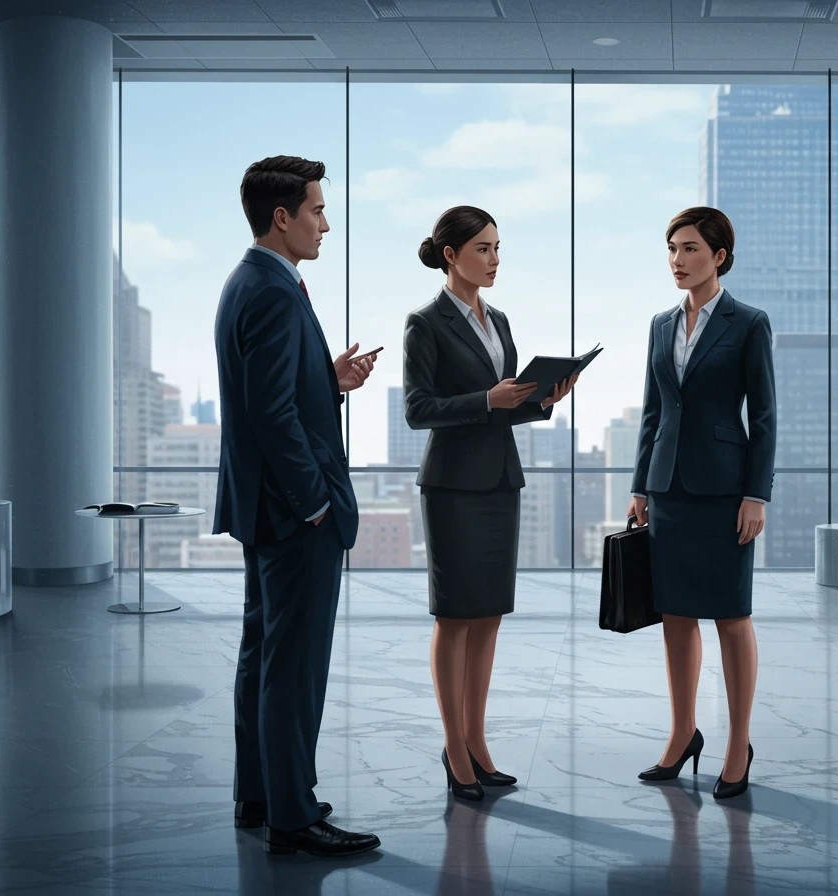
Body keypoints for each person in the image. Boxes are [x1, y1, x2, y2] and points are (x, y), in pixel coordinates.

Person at [214, 155, 380, 857]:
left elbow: (275, 391)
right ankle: (293, 815)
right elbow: (272, 413)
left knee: (263, 653)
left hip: (262, 506)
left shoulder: (249, 280)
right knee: (295, 664)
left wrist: (328, 377)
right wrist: (315, 503)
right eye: (315, 210)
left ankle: (261, 793)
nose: (325, 223)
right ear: (280, 216)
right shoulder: (277, 292)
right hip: (293, 513)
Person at [403, 206, 577, 802]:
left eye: (498, 248)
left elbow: (510, 403)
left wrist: (546, 398)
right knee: (454, 619)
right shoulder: (424, 323)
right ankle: (456, 752)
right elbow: (418, 409)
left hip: (500, 481)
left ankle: (478, 745)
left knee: (489, 617)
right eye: (483, 249)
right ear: (451, 255)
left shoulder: (498, 319)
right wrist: (486, 397)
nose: (494, 259)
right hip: (452, 488)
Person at [628, 206, 776, 800]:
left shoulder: (749, 323)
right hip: (668, 491)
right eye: (671, 249)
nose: (677, 260)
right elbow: (653, 412)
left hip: (724, 492)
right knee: (676, 616)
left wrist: (755, 493)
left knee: (731, 618)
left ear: (719, 256)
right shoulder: (661, 324)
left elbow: (763, 417)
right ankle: (681, 733)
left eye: (689, 249)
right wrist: (641, 485)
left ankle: (738, 744)